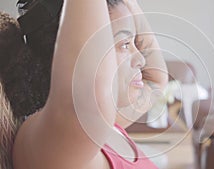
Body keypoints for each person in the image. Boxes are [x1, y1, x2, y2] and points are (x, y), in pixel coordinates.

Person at [0, 0, 168, 168]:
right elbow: (89, 96)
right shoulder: (48, 141)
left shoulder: (106, 127)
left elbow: (155, 80)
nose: (141, 59)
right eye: (124, 45)